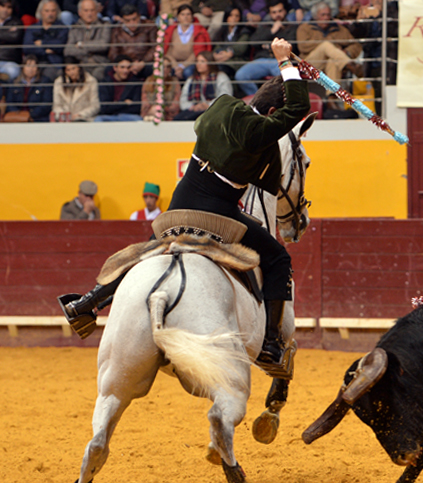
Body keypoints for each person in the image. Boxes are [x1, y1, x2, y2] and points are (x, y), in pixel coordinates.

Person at [60, 38, 310, 367]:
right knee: (278, 258)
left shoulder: (221, 105)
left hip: (179, 204)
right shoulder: (258, 135)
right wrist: (285, 64)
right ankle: (270, 345)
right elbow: (298, 109)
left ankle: (88, 303)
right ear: (272, 114)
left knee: (150, 250)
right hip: (217, 215)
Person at [234, 0, 296, 96]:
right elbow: (253, 42)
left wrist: (267, 45)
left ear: (284, 11)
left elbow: (291, 46)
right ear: (270, 14)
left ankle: (279, 102)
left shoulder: (291, 27)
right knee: (240, 75)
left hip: (280, 60)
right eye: (274, 12)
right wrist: (272, 31)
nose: (277, 14)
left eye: (280, 11)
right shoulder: (265, 26)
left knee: (285, 77)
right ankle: (258, 99)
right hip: (262, 60)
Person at [296, 1, 363, 84]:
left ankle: (332, 95)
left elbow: (356, 45)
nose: (326, 18)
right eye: (323, 15)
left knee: (333, 61)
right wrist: (328, 45)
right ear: (316, 16)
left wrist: (346, 53)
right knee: (326, 45)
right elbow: (303, 46)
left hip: (333, 61)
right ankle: (350, 65)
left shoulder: (339, 29)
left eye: (328, 15)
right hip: (310, 63)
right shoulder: (304, 28)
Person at [175, 50, 232, 120]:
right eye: (197, 61)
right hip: (194, 111)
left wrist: (208, 105)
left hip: (214, 110)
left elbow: (225, 97)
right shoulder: (191, 79)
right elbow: (183, 99)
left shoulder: (221, 77)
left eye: (202, 61)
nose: (198, 64)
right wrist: (193, 106)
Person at [64, 0, 112, 80]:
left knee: (97, 74)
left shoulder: (105, 25)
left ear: (97, 11)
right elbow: (67, 50)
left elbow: (103, 45)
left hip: (99, 64)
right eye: (86, 10)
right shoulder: (75, 28)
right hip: (81, 63)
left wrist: (81, 45)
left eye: (92, 10)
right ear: (80, 12)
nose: (89, 14)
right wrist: (91, 49)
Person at [162, 3, 212, 80]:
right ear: (178, 17)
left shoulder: (199, 31)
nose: (185, 17)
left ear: (192, 17)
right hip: (173, 63)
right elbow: (167, 52)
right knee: (165, 70)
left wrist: (182, 66)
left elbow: (198, 53)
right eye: (182, 14)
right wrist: (175, 66)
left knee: (188, 72)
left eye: (188, 14)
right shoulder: (171, 31)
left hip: (192, 63)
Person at [22, 0, 69, 80]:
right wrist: (45, 50)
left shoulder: (62, 28)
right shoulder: (32, 28)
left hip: (53, 63)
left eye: (53, 11)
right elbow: (27, 48)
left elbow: (60, 45)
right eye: (47, 11)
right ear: (40, 12)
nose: (50, 14)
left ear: (57, 12)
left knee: (47, 76)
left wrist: (42, 43)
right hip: (35, 63)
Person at [108, 3, 155, 78]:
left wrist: (143, 62)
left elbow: (155, 47)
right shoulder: (116, 30)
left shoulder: (149, 26)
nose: (132, 23)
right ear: (122, 20)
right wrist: (126, 65)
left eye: (134, 19)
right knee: (108, 70)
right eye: (128, 21)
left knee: (154, 68)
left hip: (145, 63)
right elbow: (113, 52)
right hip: (125, 64)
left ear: (139, 16)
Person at [4, 54, 53, 121]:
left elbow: (46, 104)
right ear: (23, 68)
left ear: (37, 68)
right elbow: (9, 102)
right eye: (28, 66)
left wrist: (30, 115)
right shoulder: (14, 83)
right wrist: (19, 114)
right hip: (16, 118)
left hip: (37, 118)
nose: (31, 69)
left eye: (33, 66)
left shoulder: (44, 82)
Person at [94, 54, 143, 120]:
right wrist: (124, 103)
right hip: (109, 116)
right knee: (98, 119)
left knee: (138, 119)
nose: (125, 71)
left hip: (127, 116)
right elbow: (104, 108)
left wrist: (115, 105)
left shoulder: (135, 83)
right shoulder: (105, 82)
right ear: (115, 68)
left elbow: (136, 108)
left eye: (128, 68)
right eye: (122, 67)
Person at [52, 55, 100, 121]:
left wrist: (80, 115)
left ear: (78, 68)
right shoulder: (58, 82)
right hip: (64, 120)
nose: (71, 72)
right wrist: (64, 115)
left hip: (84, 119)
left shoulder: (91, 81)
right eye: (68, 70)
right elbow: (56, 105)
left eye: (73, 68)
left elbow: (95, 106)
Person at [211, 4, 251, 80]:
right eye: (231, 15)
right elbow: (217, 46)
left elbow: (241, 47)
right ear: (226, 17)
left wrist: (229, 53)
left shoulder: (244, 31)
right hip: (221, 60)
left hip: (236, 62)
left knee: (220, 69)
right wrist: (216, 55)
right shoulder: (222, 31)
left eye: (237, 16)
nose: (234, 18)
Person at [0, 0, 23, 83]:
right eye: (3, 6)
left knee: (13, 71)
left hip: (8, 62)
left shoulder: (17, 22)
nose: (5, 10)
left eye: (9, 7)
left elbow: (14, 37)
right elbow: (8, 36)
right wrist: (5, 33)